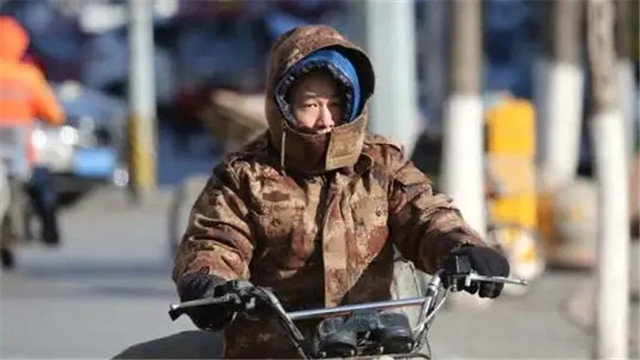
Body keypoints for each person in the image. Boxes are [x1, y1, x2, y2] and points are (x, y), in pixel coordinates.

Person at [172, 25, 510, 359]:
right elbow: (216, 240)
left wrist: (463, 248)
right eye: (310, 105)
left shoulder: (381, 164)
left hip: (371, 345)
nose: (325, 120)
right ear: (282, 105)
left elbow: (426, 214)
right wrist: (210, 283)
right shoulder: (244, 176)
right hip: (276, 349)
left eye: (335, 104)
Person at [0, 16, 65, 250]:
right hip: (19, 154)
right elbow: (53, 114)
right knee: (42, 181)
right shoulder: (28, 77)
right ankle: (50, 232)